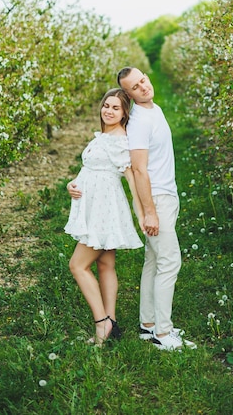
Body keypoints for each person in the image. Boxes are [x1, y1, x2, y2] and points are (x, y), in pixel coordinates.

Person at [117, 67, 196, 351]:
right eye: (135, 87)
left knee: (153, 259)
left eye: (143, 80)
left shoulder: (155, 109)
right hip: (157, 199)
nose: (143, 87)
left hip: (166, 195)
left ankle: (148, 325)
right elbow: (138, 169)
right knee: (170, 262)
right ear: (128, 95)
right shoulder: (138, 122)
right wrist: (149, 212)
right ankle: (164, 333)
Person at [65, 88, 145, 346]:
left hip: (103, 209)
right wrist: (72, 184)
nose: (108, 111)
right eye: (106, 106)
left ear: (124, 114)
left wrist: (142, 212)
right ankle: (112, 319)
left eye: (116, 108)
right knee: (105, 264)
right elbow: (90, 169)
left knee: (78, 265)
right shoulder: (103, 136)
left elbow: (131, 176)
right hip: (93, 204)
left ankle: (102, 324)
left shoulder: (120, 140)